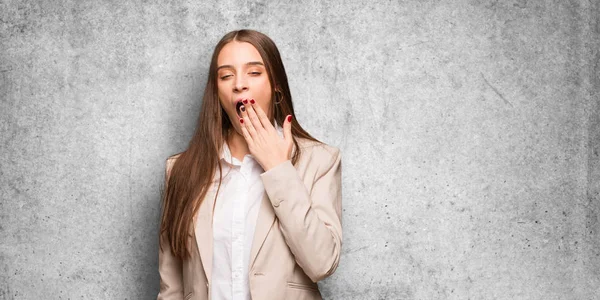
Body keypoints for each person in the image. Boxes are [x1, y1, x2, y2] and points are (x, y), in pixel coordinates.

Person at [157, 29, 342, 300]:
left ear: (276, 84)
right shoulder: (181, 170)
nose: (239, 84)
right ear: (217, 91)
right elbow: (171, 287)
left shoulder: (321, 160)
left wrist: (279, 169)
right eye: (226, 75)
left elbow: (323, 263)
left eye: (254, 73)